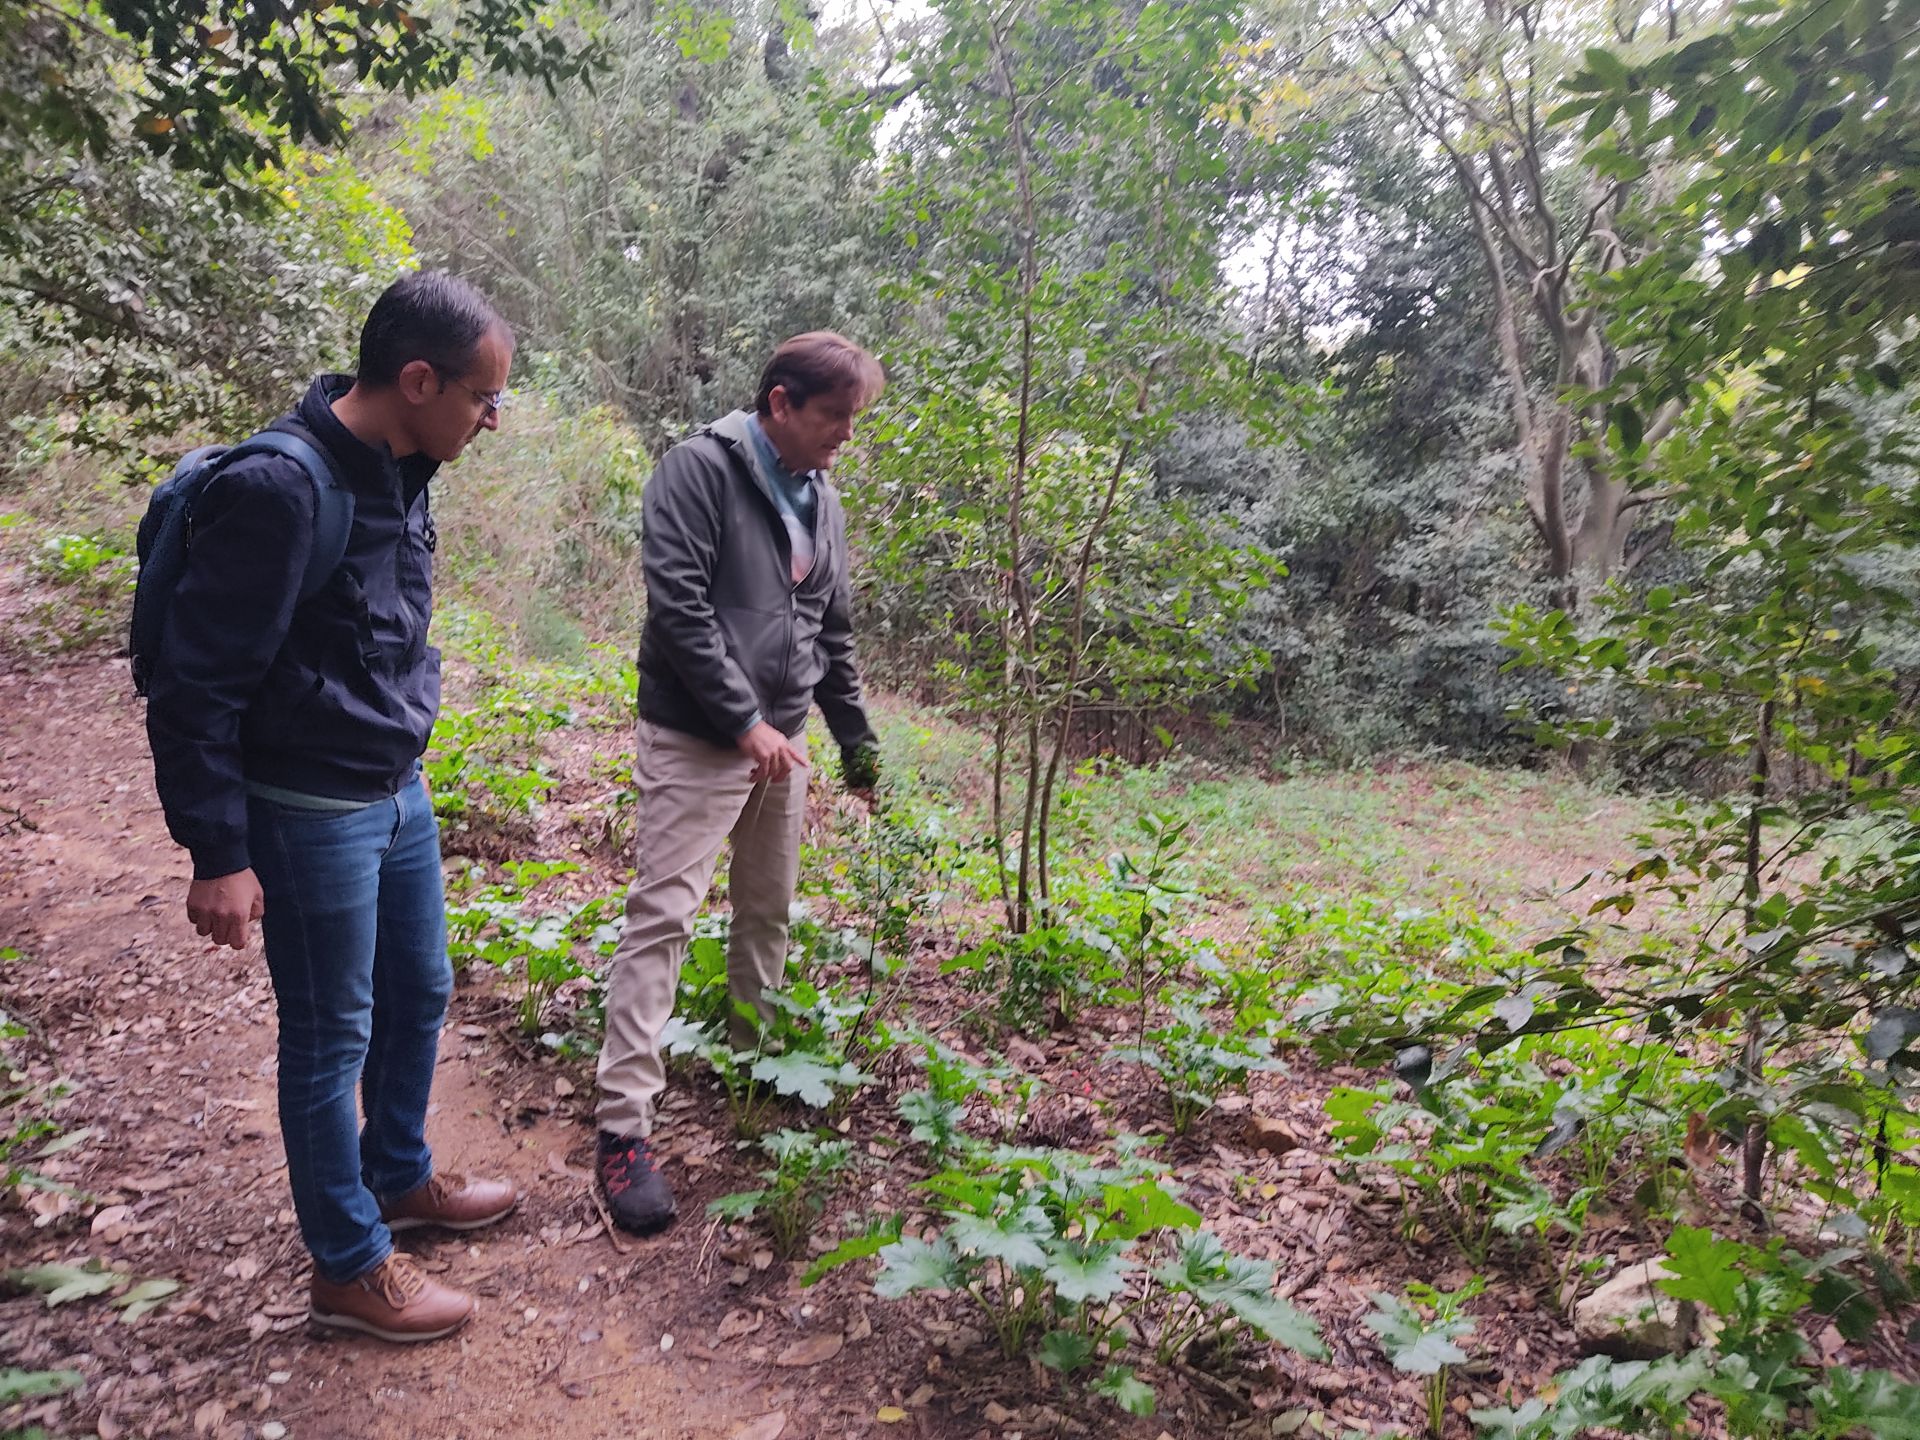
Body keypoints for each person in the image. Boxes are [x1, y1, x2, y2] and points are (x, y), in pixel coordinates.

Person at [144, 271, 520, 1342]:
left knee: (420, 991)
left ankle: (398, 1175)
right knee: (328, 1037)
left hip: (396, 791)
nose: (491, 420)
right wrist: (218, 851)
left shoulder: (405, 468)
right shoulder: (281, 490)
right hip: (308, 813)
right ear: (416, 380)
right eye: (482, 398)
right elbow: (196, 686)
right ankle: (349, 1265)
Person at [594, 332, 885, 1234]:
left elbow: (830, 633)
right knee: (664, 918)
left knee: (766, 911)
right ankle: (621, 1131)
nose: (845, 435)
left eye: (852, 420)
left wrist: (855, 745)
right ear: (780, 403)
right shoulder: (697, 471)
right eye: (833, 416)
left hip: (782, 744)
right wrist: (741, 722)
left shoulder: (822, 499)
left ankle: (754, 1068)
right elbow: (677, 606)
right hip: (699, 738)